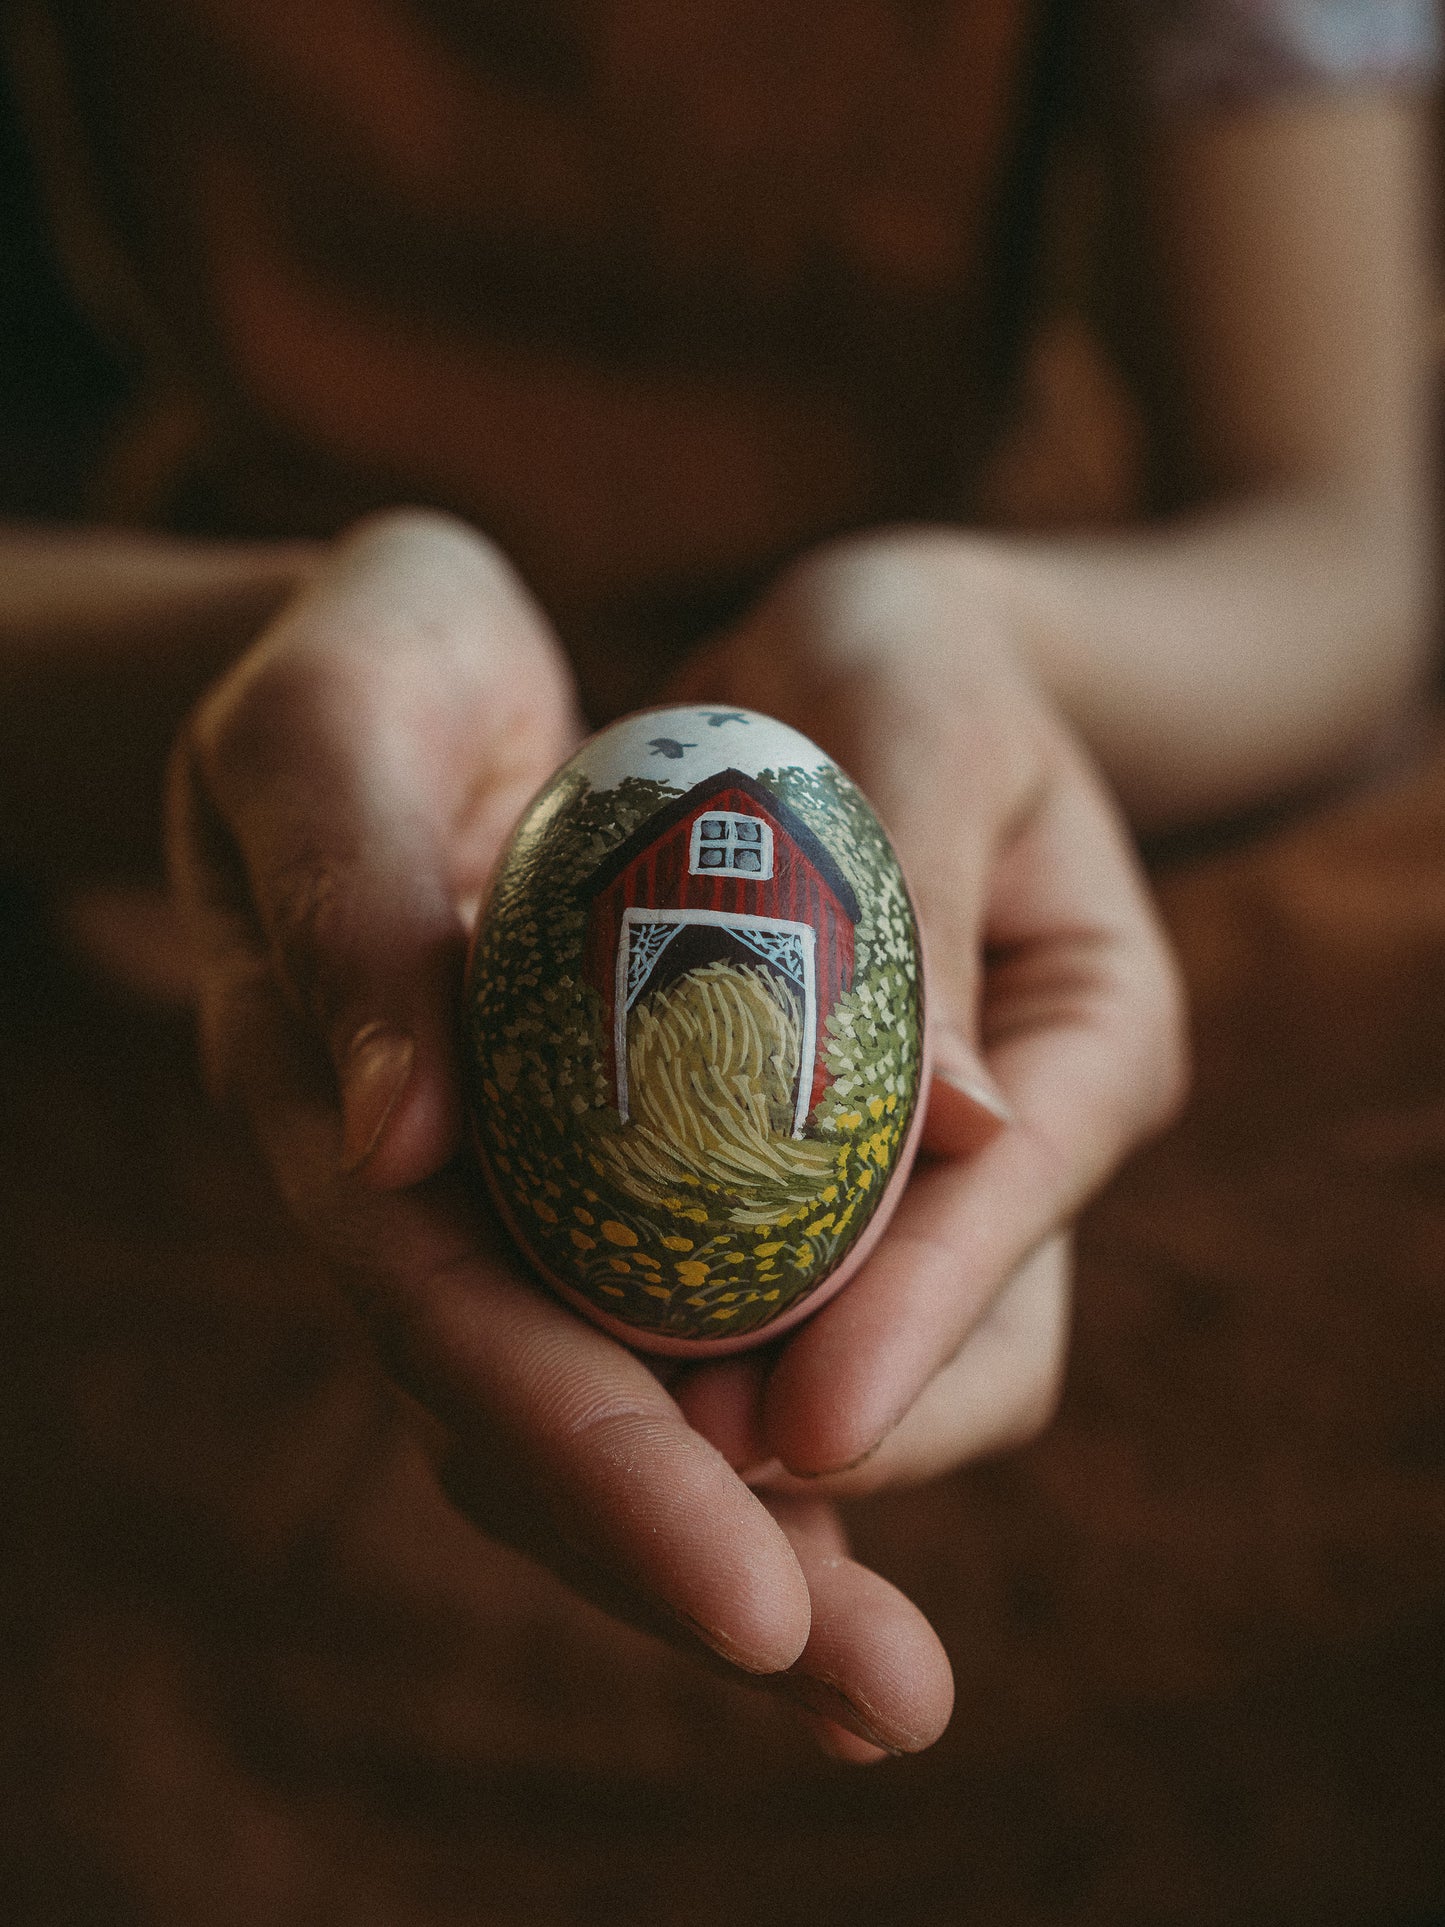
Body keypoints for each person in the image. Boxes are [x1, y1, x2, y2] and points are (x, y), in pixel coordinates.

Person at [0, 0, 1436, 1762]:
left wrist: (968, 635)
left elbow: (1336, 543)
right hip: (259, 860)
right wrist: (237, 675)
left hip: (991, 763)